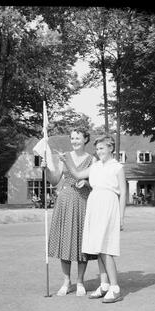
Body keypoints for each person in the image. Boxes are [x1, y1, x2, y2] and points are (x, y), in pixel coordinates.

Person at [59, 134, 126, 303]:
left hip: (109, 205)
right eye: (97, 149)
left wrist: (122, 217)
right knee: (97, 247)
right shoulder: (95, 166)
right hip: (94, 204)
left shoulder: (117, 167)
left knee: (106, 248)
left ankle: (115, 288)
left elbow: (124, 193)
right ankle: (104, 285)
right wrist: (66, 160)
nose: (99, 151)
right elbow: (76, 173)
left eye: (102, 148)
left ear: (111, 148)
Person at [43, 127, 96, 297]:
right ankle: (67, 281)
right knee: (65, 241)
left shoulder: (92, 159)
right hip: (65, 201)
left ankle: (80, 281)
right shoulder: (64, 157)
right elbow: (54, 180)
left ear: (85, 139)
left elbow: (96, 183)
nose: (74, 141)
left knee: (82, 243)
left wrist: (87, 183)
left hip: (83, 202)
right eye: (72, 138)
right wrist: (46, 169)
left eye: (78, 138)